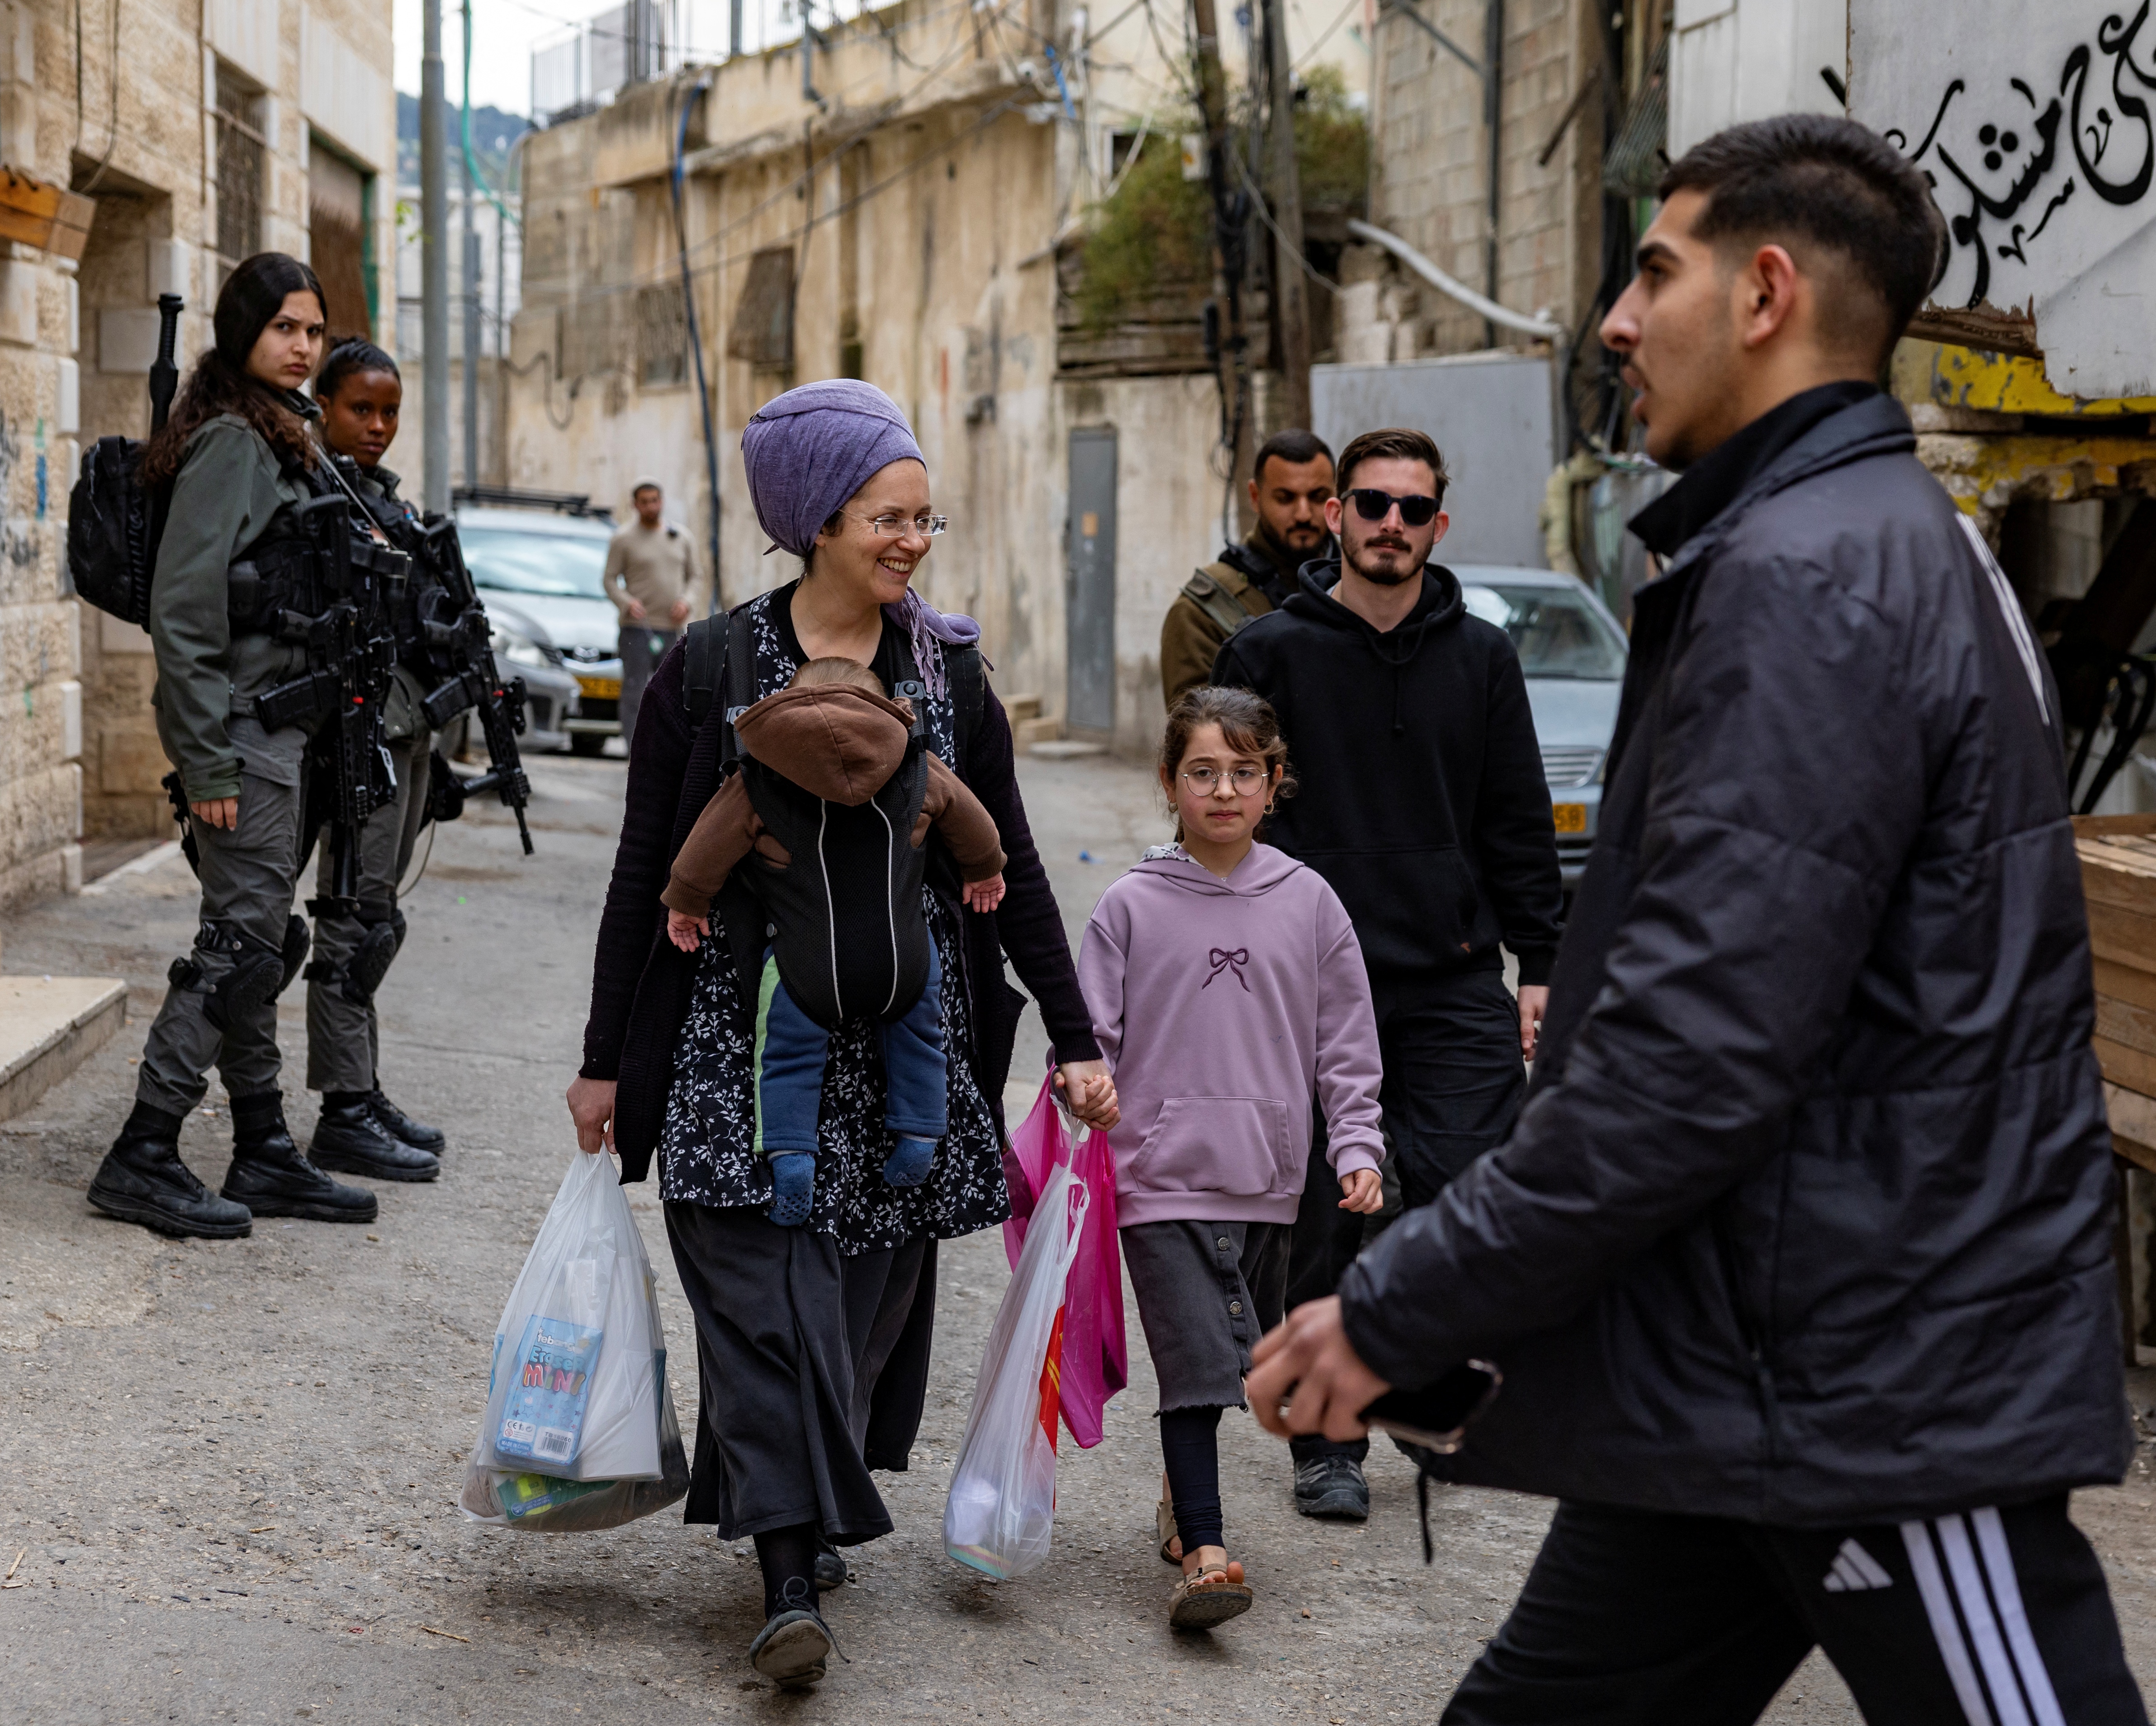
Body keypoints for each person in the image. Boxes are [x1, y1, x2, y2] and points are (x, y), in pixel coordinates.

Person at [1248, 114, 2147, 1726]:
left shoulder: (1815, 576)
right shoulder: (1827, 544)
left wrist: (1398, 1297)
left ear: (1764, 292)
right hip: (1749, 1360)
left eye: (1650, 269)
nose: (1610, 318)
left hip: (1876, 1369)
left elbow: (1686, 1057)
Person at [568, 379, 1116, 1689]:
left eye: (925, 518)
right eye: (889, 516)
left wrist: (1076, 1034)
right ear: (817, 517)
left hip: (904, 1059)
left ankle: (804, 1518)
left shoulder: (945, 669)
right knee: (764, 1301)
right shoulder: (711, 668)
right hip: (735, 1054)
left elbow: (1012, 870)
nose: (913, 542)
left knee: (856, 1311)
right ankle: (786, 1574)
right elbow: (651, 870)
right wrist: (604, 1054)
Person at [1209, 425, 1561, 1523]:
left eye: (1414, 509)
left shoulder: (1484, 658)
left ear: (1438, 525)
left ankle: (1431, 1398)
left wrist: (1542, 961)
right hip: (1313, 987)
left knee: (1469, 1195)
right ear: (1338, 516)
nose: (1391, 525)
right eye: (1372, 504)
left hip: (1454, 980)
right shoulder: (1269, 652)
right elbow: (1226, 816)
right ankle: (1328, 1437)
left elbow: (1516, 817)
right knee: (1319, 1213)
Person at [83, 254, 379, 1238]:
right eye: (284, 328)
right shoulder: (228, 442)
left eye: (313, 330)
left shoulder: (285, 436)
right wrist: (205, 760)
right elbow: (184, 611)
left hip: (280, 735)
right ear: (242, 331)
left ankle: (262, 1146)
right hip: (240, 741)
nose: (302, 347)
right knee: (242, 946)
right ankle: (144, 1148)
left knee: (261, 940)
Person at [1078, 685, 1384, 1631]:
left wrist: (1358, 1138)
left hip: (1268, 1179)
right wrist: (1079, 1080)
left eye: (1242, 772)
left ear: (1272, 782)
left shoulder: (1310, 902)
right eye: (1202, 771)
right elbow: (1085, 1032)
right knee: (1199, 1359)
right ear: (1169, 781)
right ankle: (1207, 1552)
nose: (1221, 790)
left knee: (1232, 1356)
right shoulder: (1128, 903)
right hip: (1157, 1176)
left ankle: (1179, 1500)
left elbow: (1346, 1040)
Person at [660, 653, 1010, 1221]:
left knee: (785, 1058)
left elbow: (706, 850)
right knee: (922, 1044)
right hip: (905, 962)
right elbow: (974, 822)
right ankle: (920, 1138)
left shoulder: (759, 781)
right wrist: (985, 868)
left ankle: (792, 1156)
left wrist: (686, 903)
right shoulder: (920, 769)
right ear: (888, 712)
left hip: (805, 970)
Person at [296, 337, 445, 1184]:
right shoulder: (320, 492)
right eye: (362, 408)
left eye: (391, 411)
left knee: (378, 918)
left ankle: (362, 1085)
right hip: (357, 734)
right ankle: (343, 1110)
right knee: (352, 922)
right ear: (326, 406)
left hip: (403, 725)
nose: (380, 426)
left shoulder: (384, 498)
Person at [1158, 429, 1336, 707]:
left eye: (1318, 497)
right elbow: (1198, 735)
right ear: (1255, 497)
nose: (1304, 514)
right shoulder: (1201, 614)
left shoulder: (1367, 588)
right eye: (1285, 498)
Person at [604, 482, 697, 745]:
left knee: (671, 693)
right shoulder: (623, 539)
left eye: (655, 500)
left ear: (662, 501)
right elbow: (609, 580)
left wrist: (686, 601)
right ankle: (635, 750)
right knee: (635, 690)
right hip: (637, 628)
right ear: (635, 505)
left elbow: (695, 577)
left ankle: (665, 748)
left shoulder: (680, 537)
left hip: (671, 628)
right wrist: (626, 602)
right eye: (644, 502)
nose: (650, 507)